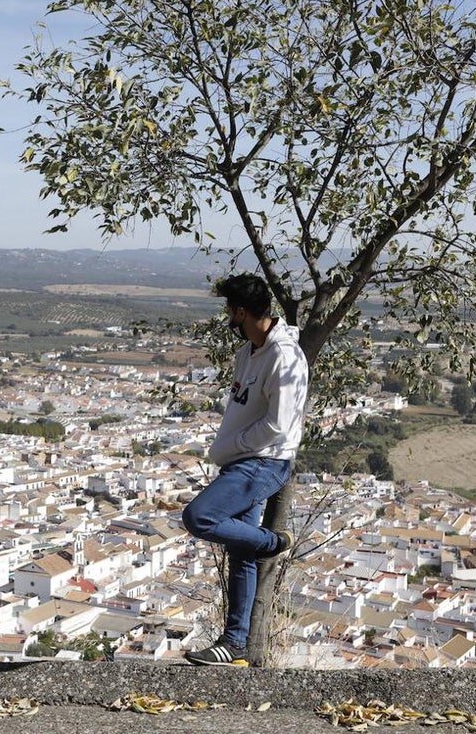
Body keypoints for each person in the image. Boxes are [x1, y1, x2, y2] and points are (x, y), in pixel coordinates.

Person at [181, 273, 309, 667]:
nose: (227, 317)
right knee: (241, 553)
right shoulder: (248, 353)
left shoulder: (285, 357)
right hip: (244, 462)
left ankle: (272, 542)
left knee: (198, 516)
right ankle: (234, 643)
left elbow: (279, 425)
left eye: (228, 310)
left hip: (263, 463)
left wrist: (227, 448)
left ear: (240, 311)